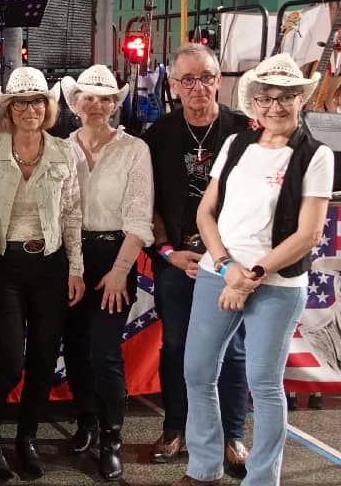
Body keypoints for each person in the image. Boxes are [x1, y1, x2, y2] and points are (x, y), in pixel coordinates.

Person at [176, 54, 332, 486]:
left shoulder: (315, 156)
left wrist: (250, 277)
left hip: (277, 282)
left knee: (263, 383)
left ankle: (262, 479)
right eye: (266, 98)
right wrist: (226, 268)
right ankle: (203, 468)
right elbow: (206, 213)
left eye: (286, 98)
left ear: (301, 99)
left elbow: (307, 234)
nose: (275, 107)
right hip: (219, 271)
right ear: (254, 102)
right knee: (198, 371)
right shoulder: (236, 145)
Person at [142, 44, 251, 471]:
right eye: (187, 79)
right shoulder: (158, 136)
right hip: (178, 259)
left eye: (206, 77)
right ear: (173, 86)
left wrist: (227, 258)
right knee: (176, 346)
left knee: (235, 348)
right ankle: (176, 428)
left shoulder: (244, 131)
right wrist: (167, 252)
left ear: (219, 79)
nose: (198, 87)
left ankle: (234, 435)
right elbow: (146, 202)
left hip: (231, 261)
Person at [0, 66, 84, 481]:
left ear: (48, 107)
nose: (30, 109)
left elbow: (72, 212)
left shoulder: (64, 152)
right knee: (8, 360)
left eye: (37, 101)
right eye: (20, 102)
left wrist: (75, 268)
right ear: (8, 108)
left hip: (50, 264)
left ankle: (27, 439)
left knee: (42, 358)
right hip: (2, 265)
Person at [59, 65, 154, 481]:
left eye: (105, 98)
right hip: (70, 258)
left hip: (116, 256)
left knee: (104, 352)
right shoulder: (60, 148)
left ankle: (112, 437)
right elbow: (63, 213)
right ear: (74, 103)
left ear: (115, 104)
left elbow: (139, 217)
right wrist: (73, 268)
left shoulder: (136, 149)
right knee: (76, 348)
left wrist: (119, 272)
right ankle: (87, 421)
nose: (96, 105)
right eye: (89, 97)